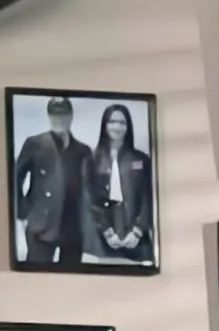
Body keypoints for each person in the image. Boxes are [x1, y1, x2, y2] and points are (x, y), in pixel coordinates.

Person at [14, 95, 90, 269]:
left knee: (72, 280)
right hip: (41, 225)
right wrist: (23, 213)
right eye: (55, 115)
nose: (59, 119)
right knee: (36, 279)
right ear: (49, 116)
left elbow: (90, 188)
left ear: (71, 116)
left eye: (63, 115)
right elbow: (15, 179)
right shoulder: (34, 144)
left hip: (72, 227)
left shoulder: (83, 150)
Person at [85, 104, 155, 265]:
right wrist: (107, 232)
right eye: (112, 122)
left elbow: (148, 198)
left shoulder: (141, 159)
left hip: (135, 232)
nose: (117, 127)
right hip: (102, 233)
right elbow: (89, 199)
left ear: (128, 126)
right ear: (104, 125)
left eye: (122, 122)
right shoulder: (92, 159)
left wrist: (138, 231)